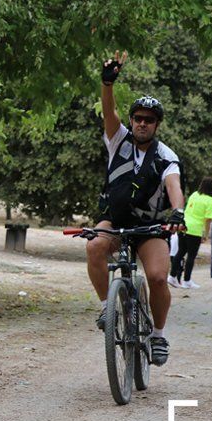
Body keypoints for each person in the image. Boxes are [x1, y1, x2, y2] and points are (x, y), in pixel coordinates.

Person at [89, 51, 185, 367]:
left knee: (158, 277)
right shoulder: (118, 140)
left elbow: (175, 189)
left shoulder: (166, 157)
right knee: (94, 247)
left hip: (149, 227)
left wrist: (178, 213)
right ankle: (108, 307)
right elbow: (108, 111)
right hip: (113, 219)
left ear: (157, 124)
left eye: (149, 120)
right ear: (132, 121)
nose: (142, 123)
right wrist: (107, 83)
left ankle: (157, 334)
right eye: (138, 118)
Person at [169, 176, 212, 289]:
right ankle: (187, 281)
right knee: (191, 256)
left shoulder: (195, 194)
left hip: (183, 226)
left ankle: (172, 276)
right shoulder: (210, 200)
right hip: (195, 230)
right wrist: (206, 234)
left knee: (180, 252)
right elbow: (208, 220)